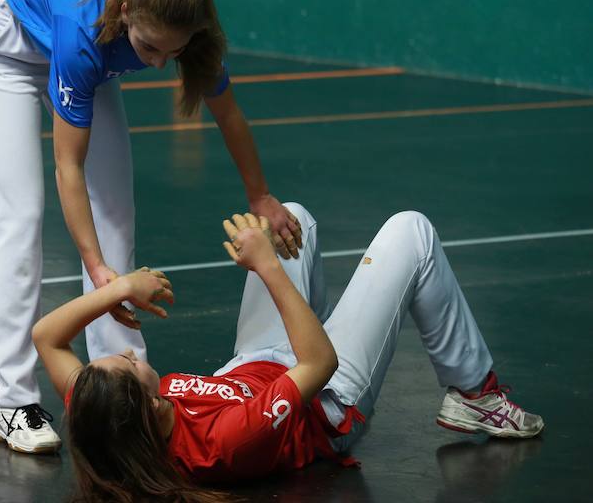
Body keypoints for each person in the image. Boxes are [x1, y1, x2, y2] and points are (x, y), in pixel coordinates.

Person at [0, 0, 302, 454]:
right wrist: (99, 273)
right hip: (12, 48)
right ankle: (13, 402)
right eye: (149, 50)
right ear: (125, 12)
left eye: (173, 53)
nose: (159, 62)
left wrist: (261, 196)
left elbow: (229, 113)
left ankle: (128, 384)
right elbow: (68, 167)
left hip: (94, 59)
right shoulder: (84, 31)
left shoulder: (180, 18)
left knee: (117, 218)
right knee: (23, 212)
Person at [32, 203, 544, 501]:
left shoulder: (104, 411)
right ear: (148, 406)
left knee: (288, 219)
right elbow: (319, 366)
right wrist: (267, 268)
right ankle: (477, 393)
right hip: (328, 398)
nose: (126, 355)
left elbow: (46, 337)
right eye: (127, 365)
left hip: (257, 363)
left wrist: (118, 289)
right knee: (411, 231)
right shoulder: (222, 441)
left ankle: (303, 304)